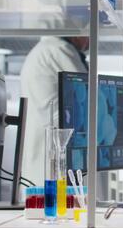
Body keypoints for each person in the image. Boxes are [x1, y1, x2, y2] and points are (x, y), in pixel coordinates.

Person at [20, 36, 88, 186]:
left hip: (46, 160)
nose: (89, 41)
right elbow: (89, 94)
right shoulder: (59, 50)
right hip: (55, 161)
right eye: (87, 35)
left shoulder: (42, 50)